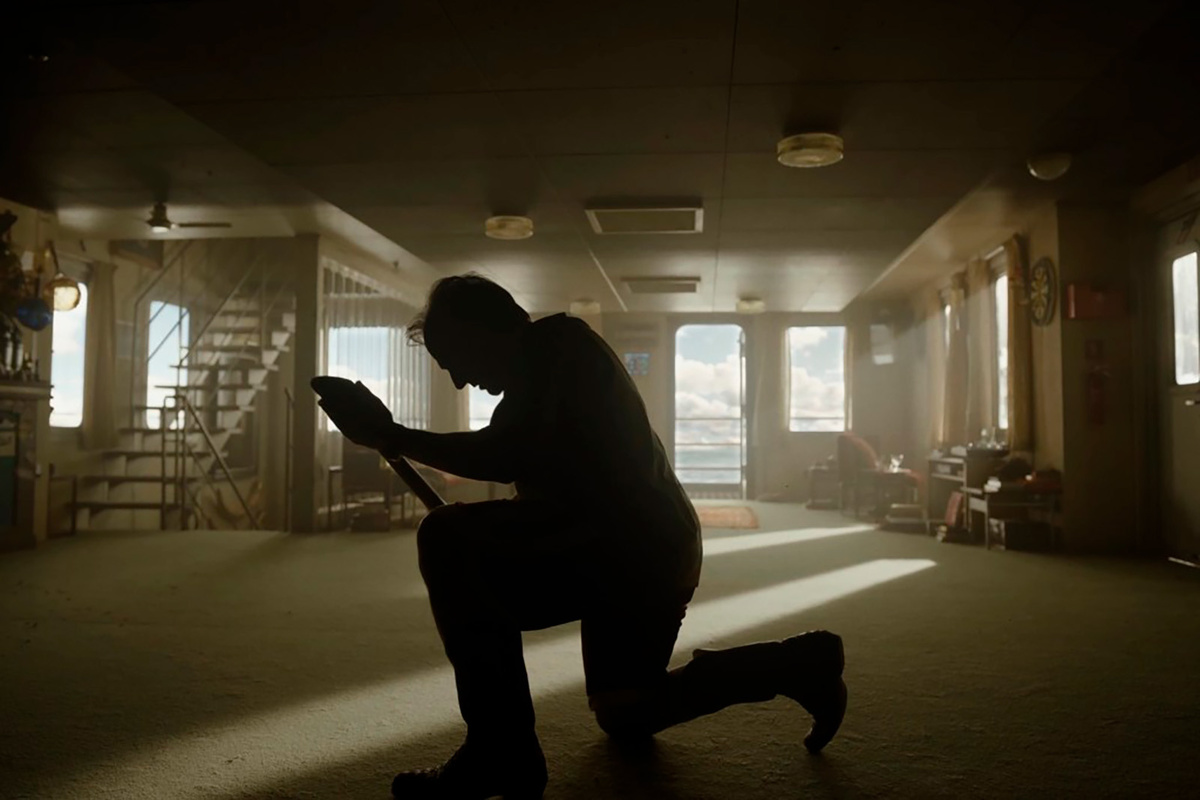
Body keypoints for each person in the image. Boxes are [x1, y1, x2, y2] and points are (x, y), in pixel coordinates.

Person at [318, 274, 847, 800]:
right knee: (627, 713)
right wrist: (393, 438)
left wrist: (392, 435)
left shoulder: (560, 352)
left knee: (447, 538)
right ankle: (796, 664)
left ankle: (499, 749)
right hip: (634, 550)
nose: (458, 381)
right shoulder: (547, 363)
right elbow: (522, 461)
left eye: (454, 359)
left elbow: (503, 454)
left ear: (486, 328)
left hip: (634, 551)